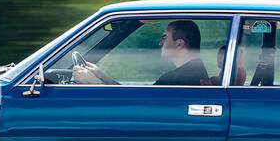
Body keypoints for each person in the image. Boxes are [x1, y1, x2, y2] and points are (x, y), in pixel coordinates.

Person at [72, 19, 210, 85]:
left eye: (164, 37)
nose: (160, 43)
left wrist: (94, 82)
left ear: (179, 43)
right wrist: (102, 76)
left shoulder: (178, 78)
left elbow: (137, 106)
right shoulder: (193, 72)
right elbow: (139, 97)